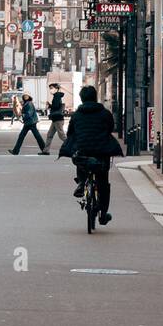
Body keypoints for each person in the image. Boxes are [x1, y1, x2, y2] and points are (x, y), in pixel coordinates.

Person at [59, 85, 123, 225]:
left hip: (83, 151)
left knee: (81, 161)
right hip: (102, 151)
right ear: (95, 97)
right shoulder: (105, 113)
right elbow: (110, 128)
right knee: (103, 183)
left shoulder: (76, 115)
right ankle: (103, 214)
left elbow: (70, 133)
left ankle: (82, 183)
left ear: (82, 99)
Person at [43, 83, 68, 150]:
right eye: (50, 88)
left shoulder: (57, 96)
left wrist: (50, 106)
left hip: (58, 119)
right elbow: (57, 106)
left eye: (52, 88)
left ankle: (73, 147)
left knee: (62, 136)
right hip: (55, 119)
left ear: (56, 89)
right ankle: (46, 151)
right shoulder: (56, 96)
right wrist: (50, 105)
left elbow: (56, 106)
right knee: (49, 135)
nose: (50, 90)